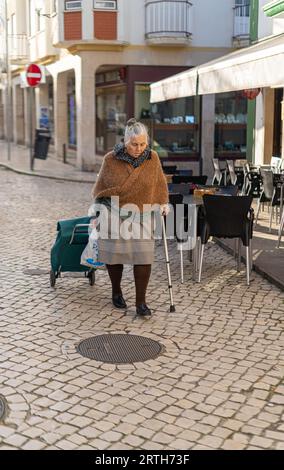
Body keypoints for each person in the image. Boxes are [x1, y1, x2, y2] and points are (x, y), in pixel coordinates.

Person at [91, 118, 169, 316]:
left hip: (143, 214)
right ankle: (116, 291)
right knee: (115, 256)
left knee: (143, 257)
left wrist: (163, 202)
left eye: (143, 144)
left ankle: (140, 302)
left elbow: (160, 184)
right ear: (125, 141)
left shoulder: (152, 158)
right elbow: (100, 188)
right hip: (114, 213)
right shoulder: (110, 159)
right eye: (134, 144)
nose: (139, 148)